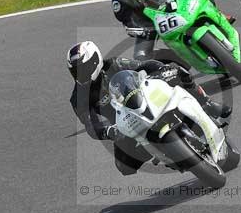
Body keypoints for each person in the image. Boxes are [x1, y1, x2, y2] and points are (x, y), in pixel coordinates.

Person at [67, 41, 231, 175]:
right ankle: (163, 153)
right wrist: (108, 131)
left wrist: (160, 69)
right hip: (126, 125)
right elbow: (90, 124)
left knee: (177, 71)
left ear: (95, 61)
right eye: (75, 71)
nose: (80, 74)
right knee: (124, 167)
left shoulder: (114, 64)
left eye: (83, 68)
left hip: (147, 103)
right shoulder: (78, 98)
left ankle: (206, 103)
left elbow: (142, 65)